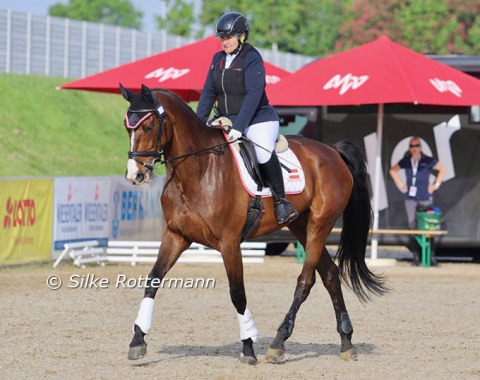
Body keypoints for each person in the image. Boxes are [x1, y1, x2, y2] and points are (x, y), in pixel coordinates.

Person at [196, 12, 298, 225]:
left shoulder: (252, 57)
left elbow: (253, 95)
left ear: (242, 35)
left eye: (229, 37)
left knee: (261, 153)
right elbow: (207, 93)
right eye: (222, 38)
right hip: (225, 119)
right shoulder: (218, 59)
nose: (224, 42)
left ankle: (281, 201)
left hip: (258, 119)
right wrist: (197, 124)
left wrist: (240, 126)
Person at [389, 137, 446, 266]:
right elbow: (393, 170)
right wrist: (401, 184)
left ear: (420, 147)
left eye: (416, 145)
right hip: (410, 198)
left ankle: (431, 257)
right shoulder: (406, 161)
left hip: (425, 197)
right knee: (412, 226)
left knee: (428, 227)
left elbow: (442, 169)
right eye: (412, 146)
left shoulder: (427, 160)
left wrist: (436, 184)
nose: (414, 148)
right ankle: (416, 256)